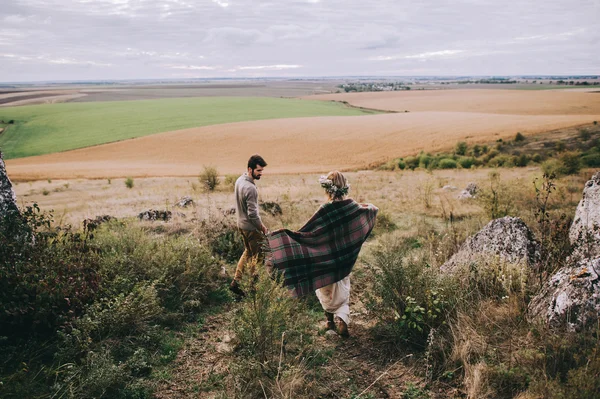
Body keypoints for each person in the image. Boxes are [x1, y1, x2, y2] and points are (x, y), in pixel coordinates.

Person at [267, 171, 378, 337]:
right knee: (343, 289)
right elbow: (371, 209)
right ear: (345, 186)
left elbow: (308, 232)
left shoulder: (326, 209)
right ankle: (342, 321)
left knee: (324, 290)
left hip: (325, 260)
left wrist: (289, 237)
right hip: (344, 260)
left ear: (328, 189)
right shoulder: (353, 206)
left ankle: (329, 322)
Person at [229, 154, 268, 298]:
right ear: (250, 169)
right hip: (251, 228)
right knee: (257, 257)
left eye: (262, 171)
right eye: (258, 171)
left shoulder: (239, 180)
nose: (260, 174)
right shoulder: (250, 188)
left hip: (241, 225)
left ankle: (236, 282)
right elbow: (253, 214)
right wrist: (262, 227)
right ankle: (253, 287)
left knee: (248, 252)